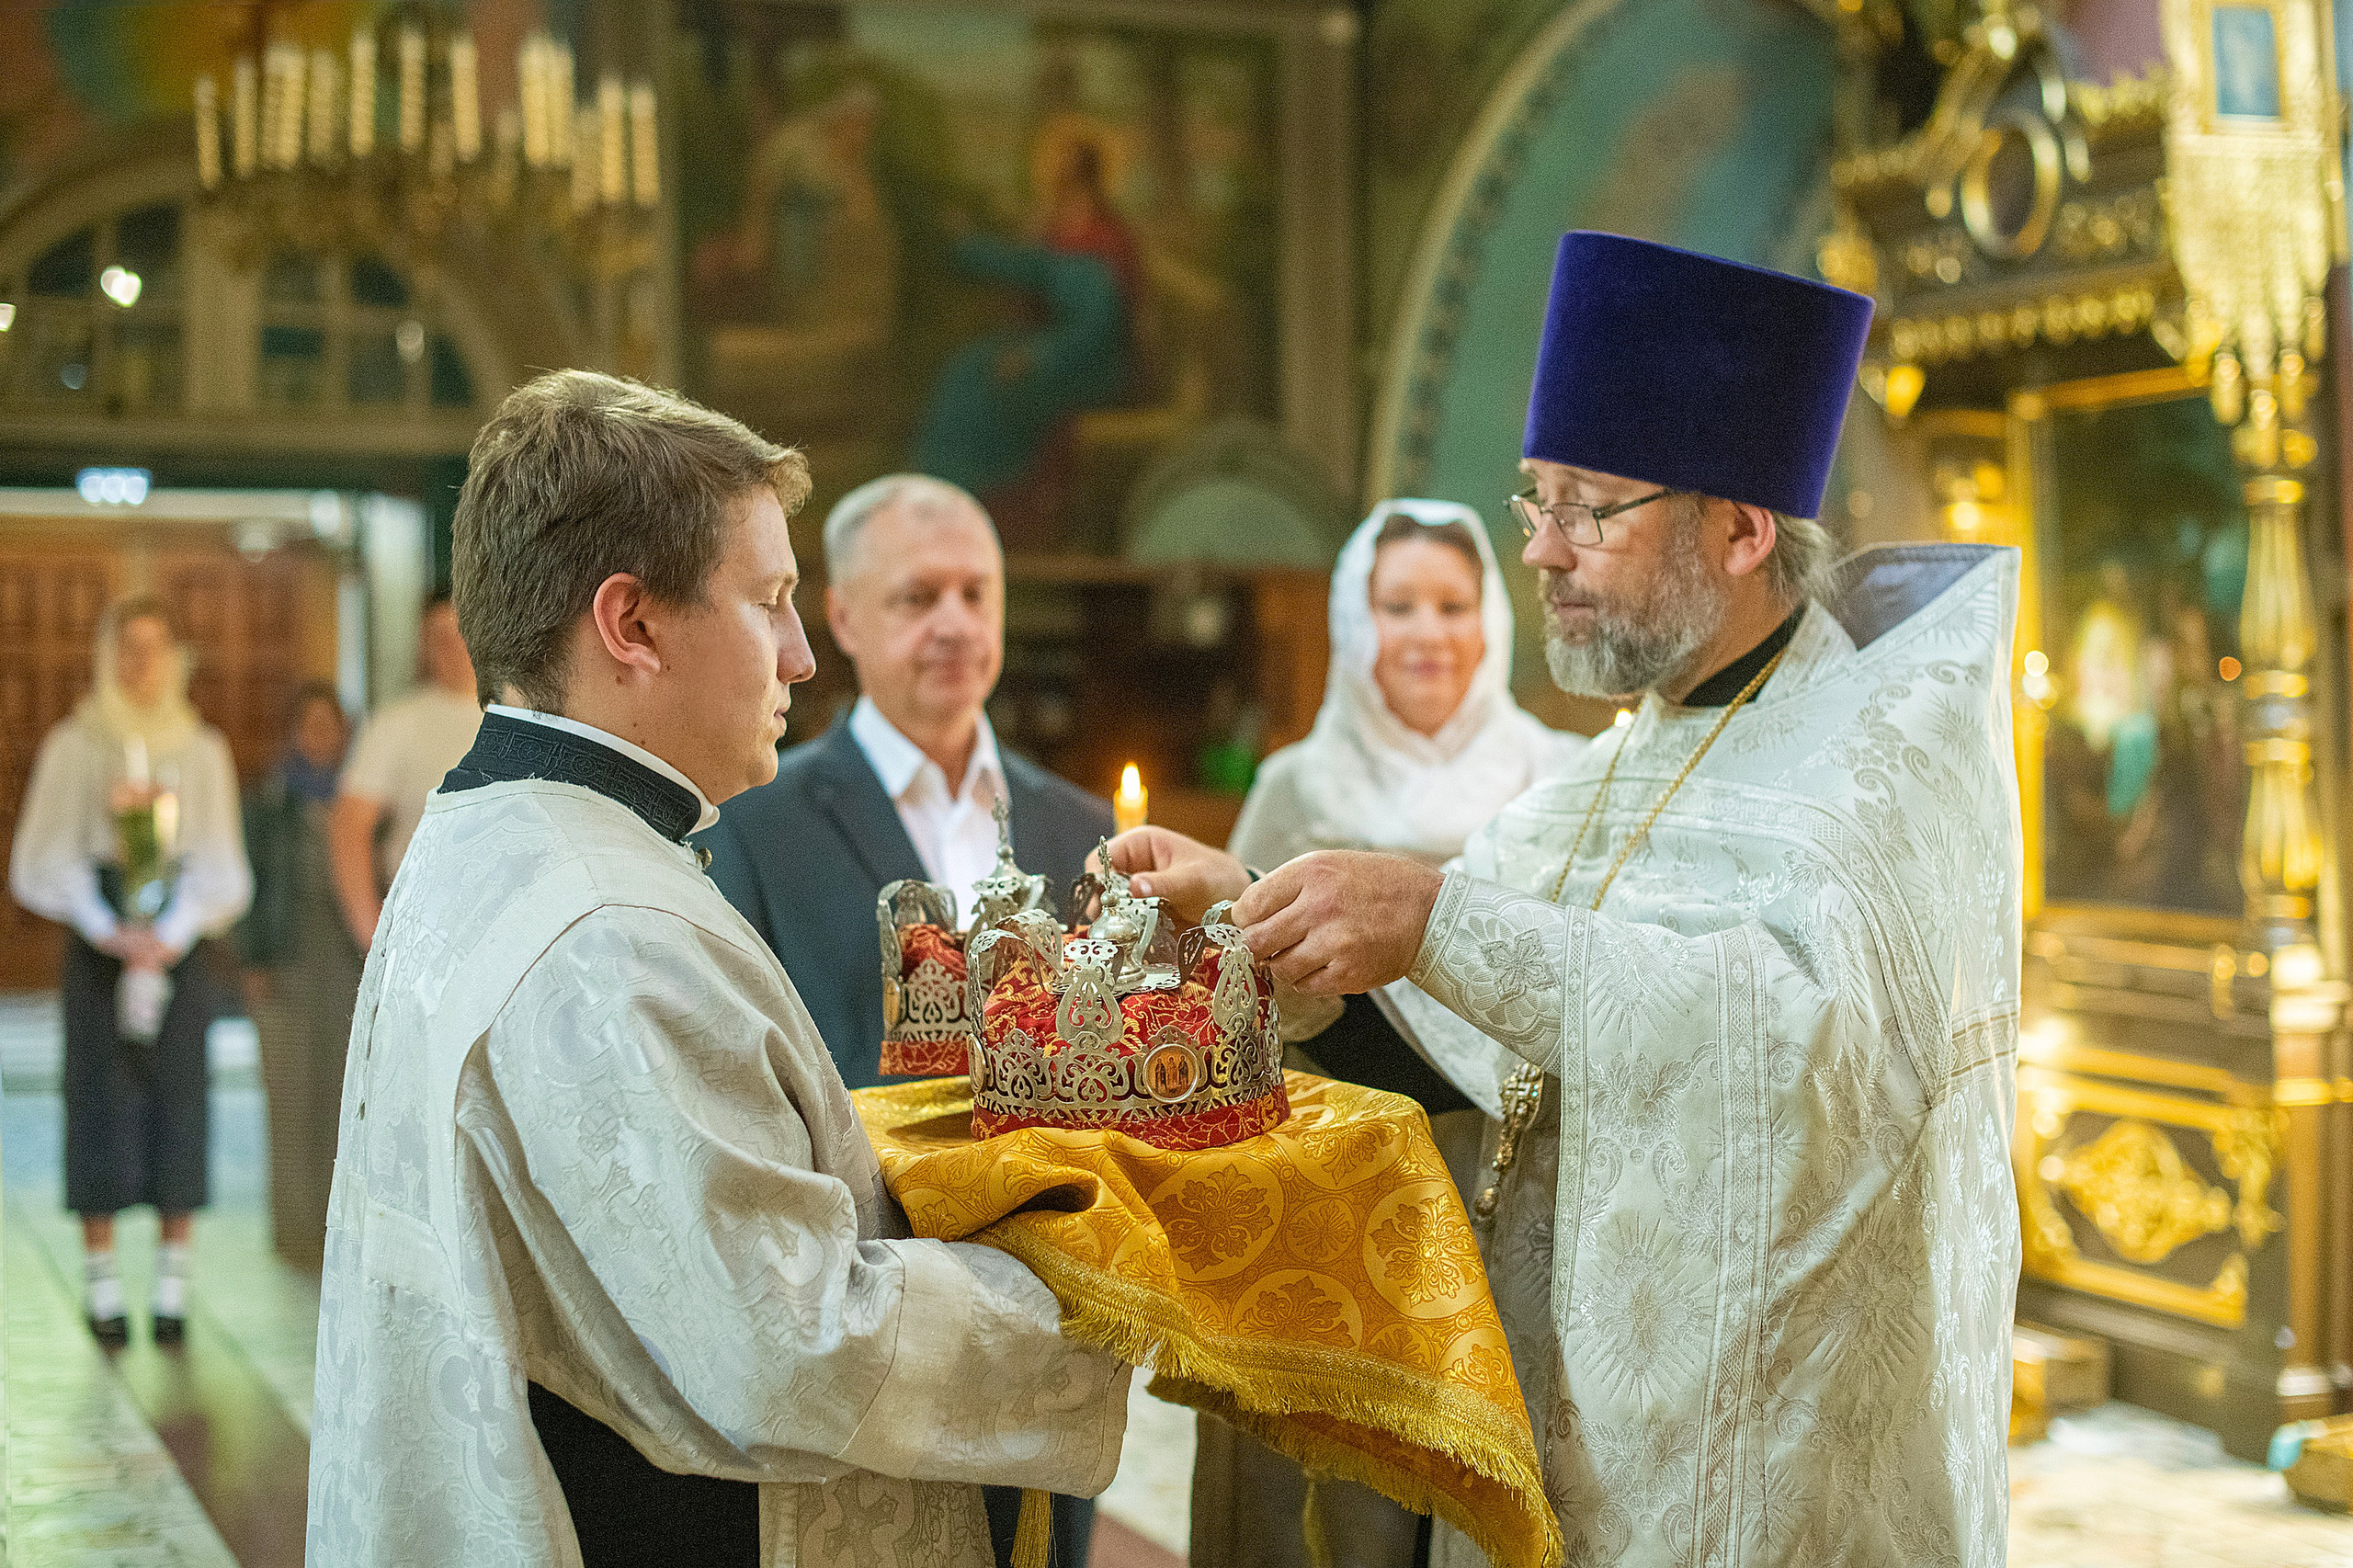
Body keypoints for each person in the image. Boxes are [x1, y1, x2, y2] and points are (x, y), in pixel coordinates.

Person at [1108, 232, 2020, 1566]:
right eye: (1534, 500)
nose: (1540, 550)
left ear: (1741, 526)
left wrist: (1439, 920)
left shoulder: (1877, 766)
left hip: (1762, 1471)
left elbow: (1800, 1051)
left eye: (1591, 508)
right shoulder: (1597, 780)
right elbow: (1462, 1061)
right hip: (1548, 1452)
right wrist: (1259, 914)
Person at [309, 372, 1130, 1568]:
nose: (800, 656)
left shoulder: (494, 827)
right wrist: (1094, 1297)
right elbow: (787, 1343)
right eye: (771, 601)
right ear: (631, 624)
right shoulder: (607, 932)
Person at [700, 472, 1111, 1568]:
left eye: (977, 593)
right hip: (866, 1311)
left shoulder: (1078, 825)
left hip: (1055, 1305)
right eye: (918, 596)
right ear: (840, 617)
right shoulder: (754, 824)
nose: (955, 624)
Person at [1199, 498, 1579, 1568]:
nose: (1427, 630)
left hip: (1502, 1166)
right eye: (1397, 603)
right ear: (1355, 622)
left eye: (1452, 604)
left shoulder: (1556, 774)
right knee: (1334, 1488)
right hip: (1333, 1175)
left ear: (1491, 620)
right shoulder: (1295, 784)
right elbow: (1240, 1002)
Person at [10, 597, 253, 1346]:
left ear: (175, 658)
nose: (140, 664)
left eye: (154, 648)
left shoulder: (202, 748)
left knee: (180, 1103)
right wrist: (105, 925)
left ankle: (174, 1290)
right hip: (100, 937)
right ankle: (104, 1288)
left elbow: (223, 865)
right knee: (99, 1101)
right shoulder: (75, 743)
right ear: (108, 656)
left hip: (179, 942)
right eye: (126, 648)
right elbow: (40, 860)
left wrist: (171, 930)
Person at [237, 680, 360, 1269]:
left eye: (329, 725)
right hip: (286, 960)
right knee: (289, 1098)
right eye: (309, 724)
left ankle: (339, 1228)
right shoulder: (268, 800)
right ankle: (295, 1233)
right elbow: (248, 885)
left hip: (344, 963)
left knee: (340, 1096)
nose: (320, 736)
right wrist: (252, 959)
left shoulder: (361, 802)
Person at [326, 588, 480, 950]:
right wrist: (372, 937)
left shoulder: (524, 715)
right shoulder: (396, 722)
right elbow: (350, 826)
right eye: (440, 637)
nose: (454, 648)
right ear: (423, 645)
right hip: (422, 927)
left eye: (463, 632)